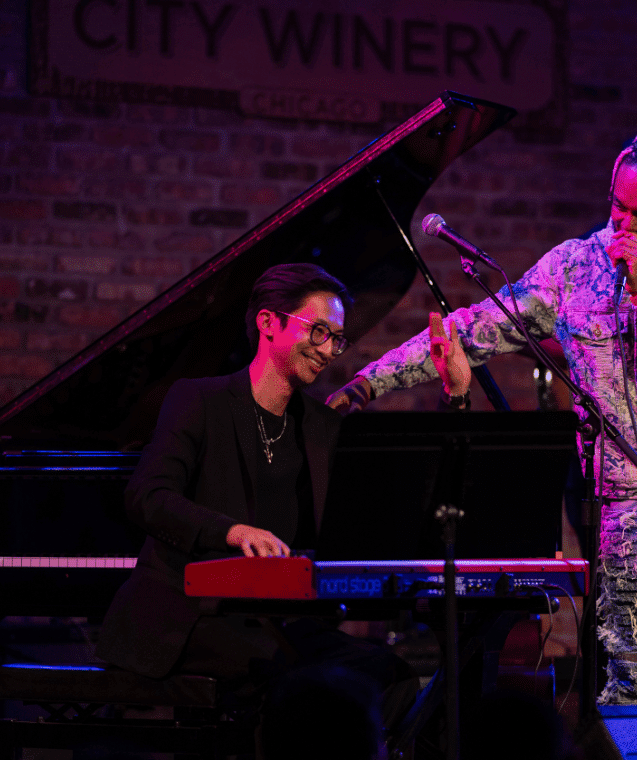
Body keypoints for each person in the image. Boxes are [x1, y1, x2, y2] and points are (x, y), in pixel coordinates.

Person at [331, 132, 637, 759]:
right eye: (617, 206)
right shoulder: (574, 266)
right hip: (631, 510)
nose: (624, 225)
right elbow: (471, 330)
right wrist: (366, 383)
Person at [96, 263, 416, 727]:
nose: (329, 350)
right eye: (319, 330)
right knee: (300, 678)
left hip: (280, 620)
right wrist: (231, 530)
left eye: (337, 338)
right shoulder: (198, 400)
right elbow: (147, 495)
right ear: (269, 323)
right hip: (193, 619)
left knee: (394, 674)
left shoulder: (321, 426)